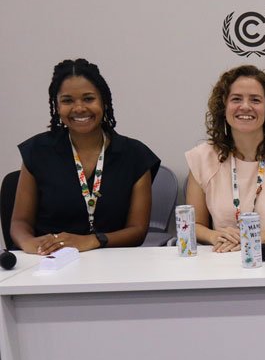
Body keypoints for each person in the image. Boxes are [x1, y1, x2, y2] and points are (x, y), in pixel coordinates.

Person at [10, 59, 160, 254]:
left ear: (104, 101)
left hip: (112, 264)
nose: (79, 108)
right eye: (67, 100)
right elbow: (20, 221)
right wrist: (28, 243)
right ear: (56, 105)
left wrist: (92, 241)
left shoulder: (135, 155)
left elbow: (138, 231)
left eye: (88, 99)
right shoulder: (37, 151)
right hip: (48, 262)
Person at [185, 65, 265, 252]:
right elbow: (195, 224)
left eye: (255, 100)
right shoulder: (201, 158)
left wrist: (252, 238)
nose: (245, 106)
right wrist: (214, 236)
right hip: (219, 260)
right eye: (236, 99)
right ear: (224, 107)